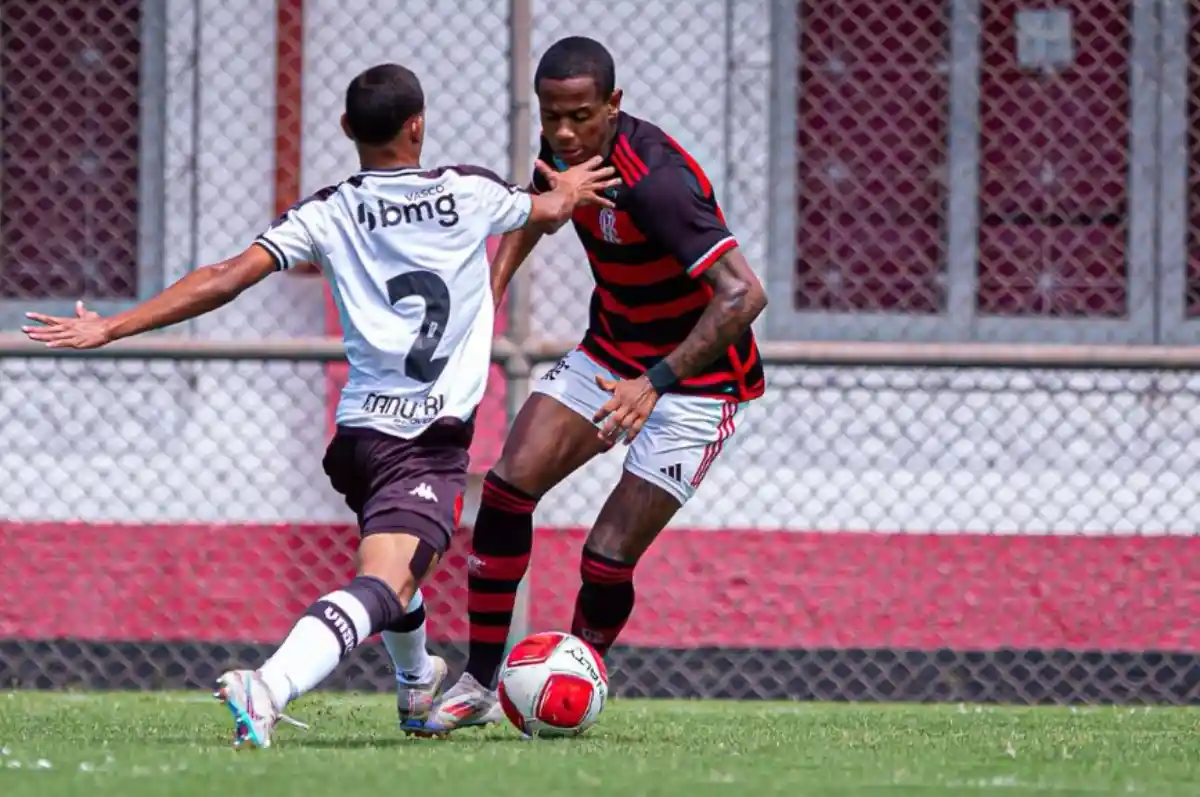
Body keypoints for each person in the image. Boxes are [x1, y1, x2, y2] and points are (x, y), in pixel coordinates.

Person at [22, 62, 618, 748]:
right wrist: (569, 185)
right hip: (423, 440)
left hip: (360, 437)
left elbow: (223, 278)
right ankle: (269, 684)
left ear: (345, 129)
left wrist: (111, 325)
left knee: (399, 567)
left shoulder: (327, 211)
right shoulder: (470, 191)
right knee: (387, 578)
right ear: (418, 124)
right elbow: (544, 209)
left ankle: (418, 679)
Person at [424, 36, 768, 733]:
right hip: (609, 352)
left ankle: (570, 693)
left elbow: (742, 296)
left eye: (580, 115)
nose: (563, 132)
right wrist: (488, 300)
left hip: (696, 381)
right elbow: (536, 212)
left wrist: (656, 381)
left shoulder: (656, 180)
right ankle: (479, 681)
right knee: (507, 484)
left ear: (615, 104)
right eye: (551, 115)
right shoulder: (563, 152)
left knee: (606, 556)